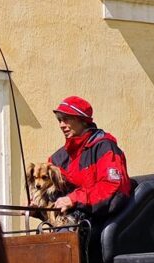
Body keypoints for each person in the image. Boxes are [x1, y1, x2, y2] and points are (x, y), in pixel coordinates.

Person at [49, 96, 130, 224]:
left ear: (83, 121)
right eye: (59, 120)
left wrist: (74, 199)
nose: (61, 125)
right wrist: (36, 206)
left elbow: (113, 186)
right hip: (71, 220)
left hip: (101, 220)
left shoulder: (104, 147)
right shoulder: (58, 158)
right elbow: (52, 190)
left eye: (66, 119)